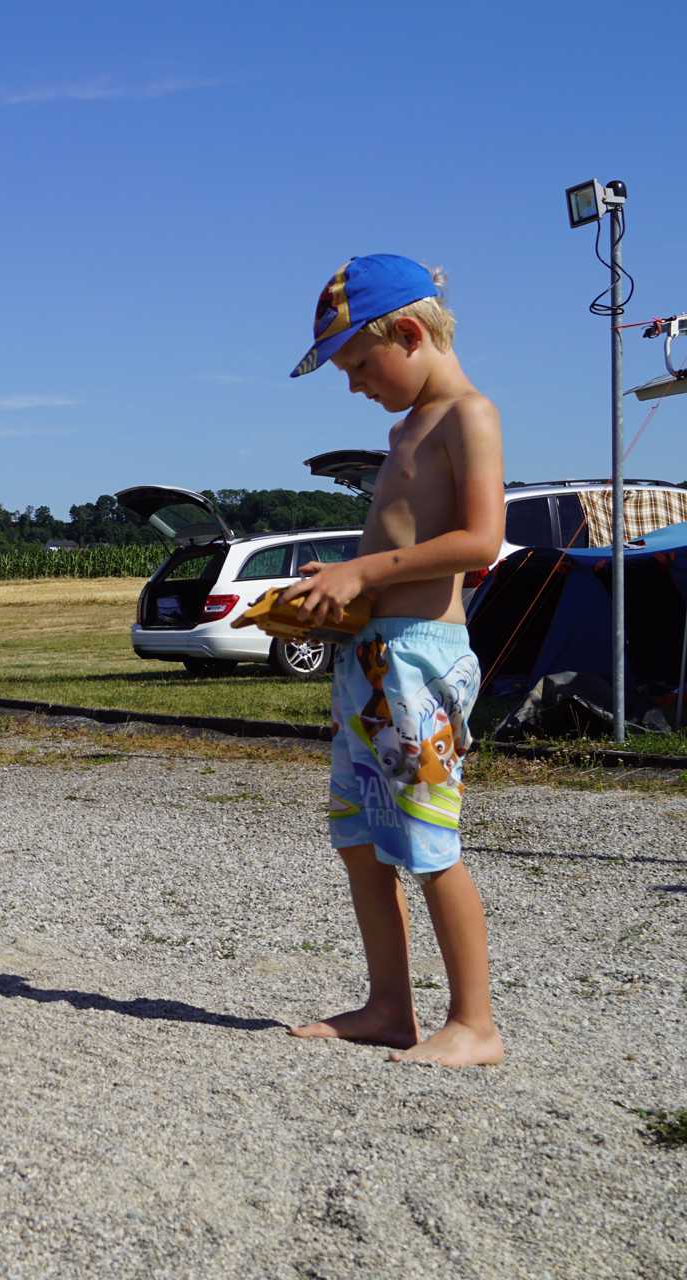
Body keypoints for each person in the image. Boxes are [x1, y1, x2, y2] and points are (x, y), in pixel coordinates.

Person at [281, 254, 506, 1067]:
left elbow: (479, 541)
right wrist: (337, 592)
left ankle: (475, 1024)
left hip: (419, 664)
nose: (354, 385)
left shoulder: (467, 415)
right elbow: (400, 545)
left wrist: (362, 572)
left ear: (408, 333)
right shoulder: (404, 428)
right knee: (360, 837)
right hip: (371, 657)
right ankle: (389, 1006)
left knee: (427, 842)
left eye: (358, 364)